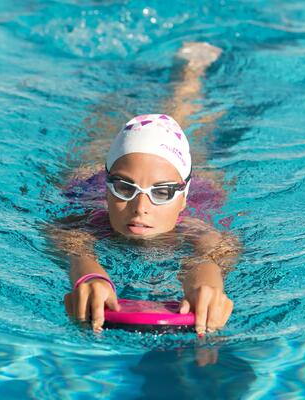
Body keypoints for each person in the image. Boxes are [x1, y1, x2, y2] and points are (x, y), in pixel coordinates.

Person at [46, 43, 240, 336]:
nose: (141, 207)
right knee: (102, 128)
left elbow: (209, 254)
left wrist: (207, 286)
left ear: (182, 200)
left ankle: (190, 73)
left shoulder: (194, 230)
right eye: (125, 188)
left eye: (162, 193)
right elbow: (71, 244)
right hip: (89, 177)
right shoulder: (85, 222)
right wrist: (88, 275)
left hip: (192, 179)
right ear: (107, 188)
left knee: (188, 120)